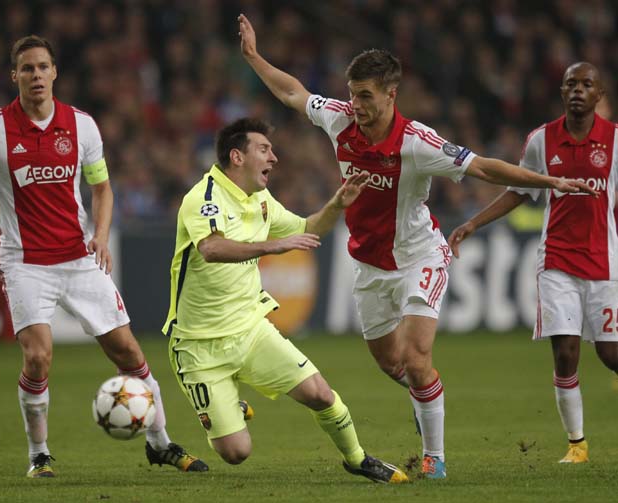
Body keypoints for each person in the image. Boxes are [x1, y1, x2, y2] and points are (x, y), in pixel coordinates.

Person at [237, 14, 597, 479]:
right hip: (368, 264)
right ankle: (426, 401)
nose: (355, 104)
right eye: (352, 93)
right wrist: (253, 57)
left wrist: (549, 181)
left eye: (365, 96)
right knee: (394, 365)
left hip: (419, 256)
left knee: (416, 357)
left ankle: (435, 457)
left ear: (391, 94)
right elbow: (293, 93)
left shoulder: (417, 142)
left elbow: (485, 168)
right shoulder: (339, 119)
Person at [0, 35, 207, 477]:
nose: (36, 75)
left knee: (128, 351)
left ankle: (160, 443)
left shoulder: (81, 125)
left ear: (55, 72)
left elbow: (102, 187)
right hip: (26, 262)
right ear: (14, 75)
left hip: (79, 258)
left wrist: (102, 236)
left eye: (43, 67)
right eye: (27, 68)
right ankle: (39, 455)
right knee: (38, 357)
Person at [162, 117, 409, 484]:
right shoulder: (204, 197)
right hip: (198, 346)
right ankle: (230, 406)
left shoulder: (261, 200)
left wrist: (337, 205)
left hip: (250, 330)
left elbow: (307, 228)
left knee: (320, 394)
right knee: (236, 453)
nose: (274, 158)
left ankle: (357, 458)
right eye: (264, 149)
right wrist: (272, 245)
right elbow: (211, 248)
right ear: (237, 157)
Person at [448, 62, 618, 464]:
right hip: (556, 262)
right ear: (562, 92)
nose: (578, 89)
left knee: (611, 355)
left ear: (600, 95)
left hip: (605, 264)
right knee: (565, 353)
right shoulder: (542, 140)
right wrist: (473, 222)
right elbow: (519, 190)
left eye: (587, 84)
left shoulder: (614, 141)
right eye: (571, 83)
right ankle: (577, 445)